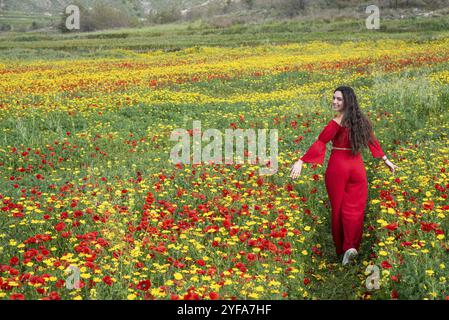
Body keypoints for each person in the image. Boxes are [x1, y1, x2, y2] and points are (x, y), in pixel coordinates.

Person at [290, 86, 399, 266]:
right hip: (357, 167)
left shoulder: (337, 120)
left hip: (338, 167)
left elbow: (321, 141)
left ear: (347, 101)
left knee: (339, 208)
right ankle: (351, 246)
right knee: (355, 208)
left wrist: (301, 161)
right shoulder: (361, 120)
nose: (334, 102)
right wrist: (385, 159)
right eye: (334, 98)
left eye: (339, 99)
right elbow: (372, 140)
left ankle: (342, 249)